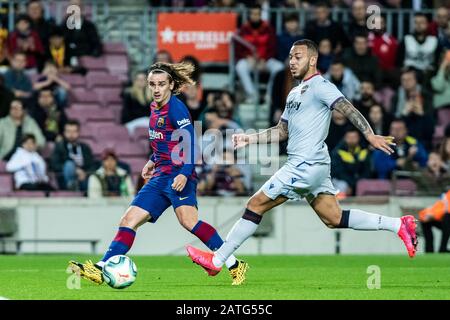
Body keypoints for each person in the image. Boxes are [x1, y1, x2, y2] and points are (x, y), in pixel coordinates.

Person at [186, 40, 418, 277]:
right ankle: (399, 225)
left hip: (304, 164)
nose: (292, 61)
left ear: (313, 59)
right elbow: (281, 131)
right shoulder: (295, 93)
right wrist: (250, 138)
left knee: (255, 205)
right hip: (313, 165)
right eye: (290, 57)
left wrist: (369, 134)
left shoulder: (321, 85)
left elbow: (347, 108)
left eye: (298, 57)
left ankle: (218, 260)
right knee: (333, 218)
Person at [69, 61, 249, 286]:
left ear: (171, 85)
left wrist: (184, 173)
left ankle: (234, 264)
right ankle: (100, 268)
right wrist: (152, 160)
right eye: (152, 84)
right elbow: (165, 141)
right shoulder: (155, 107)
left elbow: (191, 144)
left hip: (178, 176)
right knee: (128, 220)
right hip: (160, 176)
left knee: (189, 221)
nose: (156, 88)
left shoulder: (176, 108)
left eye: (161, 84)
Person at [235, 4, 284, 103]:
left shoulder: (268, 28)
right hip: (250, 60)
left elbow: (273, 47)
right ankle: (252, 95)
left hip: (265, 60)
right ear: (249, 15)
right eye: (253, 14)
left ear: (261, 14)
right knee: (240, 66)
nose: (255, 16)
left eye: (257, 14)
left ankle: (269, 95)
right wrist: (247, 57)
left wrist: (264, 59)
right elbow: (238, 48)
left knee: (279, 67)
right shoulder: (244, 29)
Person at [50, 120, 96, 191]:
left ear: (78, 132)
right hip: (65, 179)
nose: (71, 134)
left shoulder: (85, 147)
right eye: (68, 131)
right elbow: (54, 165)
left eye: (74, 131)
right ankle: (72, 186)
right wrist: (74, 170)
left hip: (83, 178)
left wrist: (84, 173)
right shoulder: (59, 147)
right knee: (69, 164)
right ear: (64, 133)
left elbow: (91, 165)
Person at [331, 129, 371, 196]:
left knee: (365, 184)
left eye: (354, 137)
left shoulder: (364, 151)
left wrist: (357, 184)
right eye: (349, 137)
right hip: (341, 181)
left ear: (358, 138)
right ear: (344, 138)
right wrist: (351, 184)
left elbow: (367, 171)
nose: (351, 140)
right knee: (342, 186)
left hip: (359, 181)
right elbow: (339, 172)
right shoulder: (338, 152)